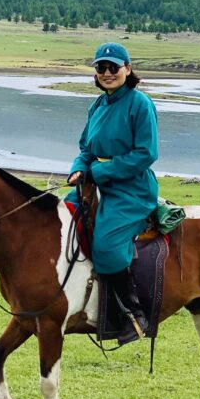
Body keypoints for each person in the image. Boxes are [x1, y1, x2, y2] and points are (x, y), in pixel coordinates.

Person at [67, 42, 159, 345]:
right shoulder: (98, 105)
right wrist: (79, 169)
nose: (107, 73)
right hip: (96, 184)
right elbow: (86, 148)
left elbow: (146, 154)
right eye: (101, 68)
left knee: (106, 244)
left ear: (127, 69)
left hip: (131, 189)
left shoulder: (140, 104)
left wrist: (100, 172)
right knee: (61, 221)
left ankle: (133, 315)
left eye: (113, 67)